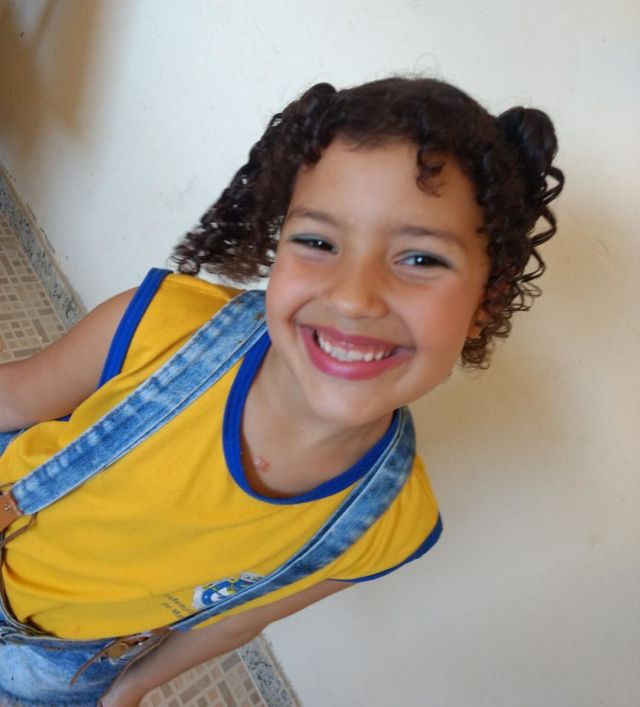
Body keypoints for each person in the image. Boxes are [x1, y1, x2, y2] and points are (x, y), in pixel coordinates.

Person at [0, 77, 564, 706]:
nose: (352, 297)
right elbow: (14, 398)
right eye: (319, 243)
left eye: (421, 259)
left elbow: (236, 620)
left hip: (65, 666)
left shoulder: (389, 526)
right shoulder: (161, 324)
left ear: (485, 304)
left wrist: (127, 690)